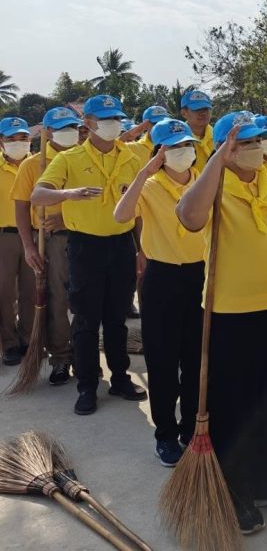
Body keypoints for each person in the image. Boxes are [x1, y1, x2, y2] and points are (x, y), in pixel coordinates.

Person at [176, 111, 267, 534]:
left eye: (258, 140)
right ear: (225, 150)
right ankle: (236, 491)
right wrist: (215, 164)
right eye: (244, 143)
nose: (256, 148)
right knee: (234, 407)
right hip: (231, 315)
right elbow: (189, 217)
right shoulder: (212, 189)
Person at [31, 95, 148, 416]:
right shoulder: (70, 158)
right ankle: (87, 386)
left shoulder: (132, 157)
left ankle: (120, 378)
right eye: (106, 119)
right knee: (85, 320)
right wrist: (68, 193)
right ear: (89, 123)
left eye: (117, 119)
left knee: (117, 318)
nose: (113, 124)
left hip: (122, 244)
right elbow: (38, 194)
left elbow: (139, 209)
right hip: (85, 247)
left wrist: (141, 249)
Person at [112, 119, 204, 467]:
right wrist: (144, 173)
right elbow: (121, 215)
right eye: (174, 147)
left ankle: (191, 429)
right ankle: (165, 435)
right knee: (163, 362)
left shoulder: (204, 181)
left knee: (196, 361)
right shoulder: (149, 186)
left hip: (200, 276)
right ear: (159, 153)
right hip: (162, 278)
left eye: (187, 145)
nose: (184, 152)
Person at [10, 107, 81, 383]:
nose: (69, 133)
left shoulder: (85, 157)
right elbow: (21, 207)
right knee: (56, 300)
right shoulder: (32, 165)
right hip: (50, 241)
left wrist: (67, 218)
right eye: (62, 128)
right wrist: (28, 246)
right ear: (48, 132)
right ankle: (60, 357)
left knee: (86, 299)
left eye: (72, 127)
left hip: (85, 235)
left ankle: (84, 355)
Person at [0, 117, 35, 366]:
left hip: (34, 236)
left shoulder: (38, 164)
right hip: (5, 237)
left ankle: (28, 339)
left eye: (22, 138)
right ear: (1, 141)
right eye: (11, 139)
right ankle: (10, 342)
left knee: (31, 291)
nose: (17, 143)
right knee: (5, 292)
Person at [179, 90, 215, 170]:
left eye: (206, 109)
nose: (203, 113)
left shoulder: (219, 136)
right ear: (184, 113)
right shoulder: (178, 141)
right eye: (197, 109)